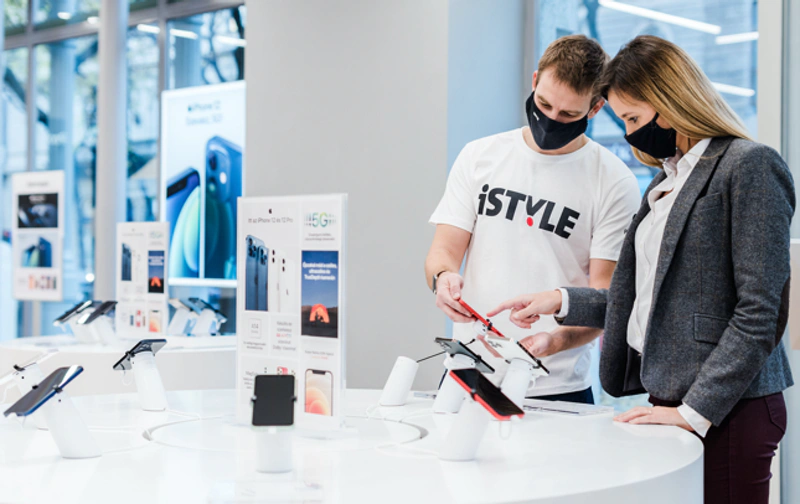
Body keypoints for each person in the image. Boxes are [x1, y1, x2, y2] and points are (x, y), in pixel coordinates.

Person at [488, 35, 793, 504]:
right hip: (671, 398)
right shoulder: (667, 179)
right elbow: (650, 297)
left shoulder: (748, 166)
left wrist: (695, 411)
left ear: (669, 102)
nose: (630, 133)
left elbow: (760, 312)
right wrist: (562, 300)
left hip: (729, 406)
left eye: (632, 118)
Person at [425, 35, 640, 404]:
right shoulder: (480, 156)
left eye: (569, 114)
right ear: (535, 80)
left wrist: (555, 341)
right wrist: (442, 280)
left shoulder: (613, 180)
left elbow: (606, 298)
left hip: (558, 387)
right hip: (467, 372)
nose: (551, 119)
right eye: (544, 104)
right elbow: (442, 252)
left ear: (596, 107)